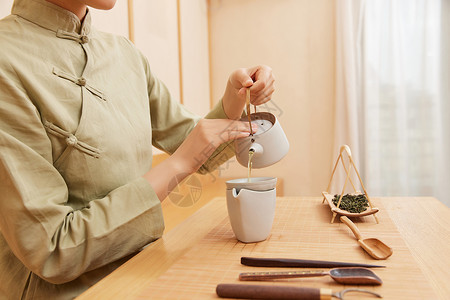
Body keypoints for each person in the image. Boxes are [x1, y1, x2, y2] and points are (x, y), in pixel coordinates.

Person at [0, 0, 275, 298]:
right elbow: (51, 249)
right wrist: (178, 164)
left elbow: (193, 145)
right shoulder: (7, 58)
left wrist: (234, 100)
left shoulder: (125, 53)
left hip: (148, 271)